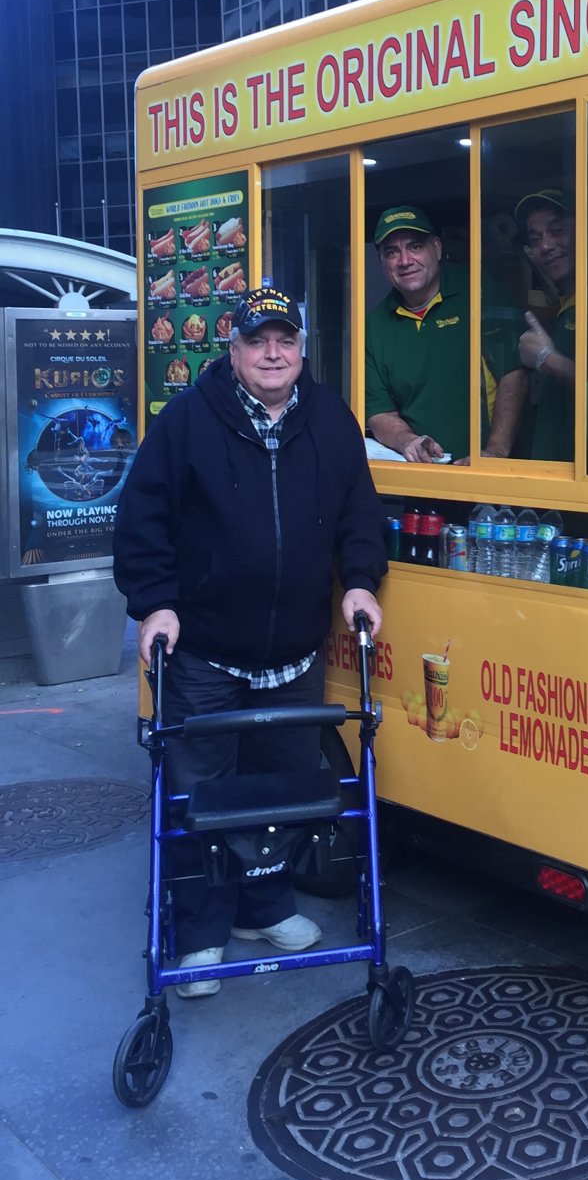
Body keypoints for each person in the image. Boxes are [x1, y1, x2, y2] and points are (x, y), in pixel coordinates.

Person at [113, 287, 386, 999]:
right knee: (202, 795)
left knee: (278, 797)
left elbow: (359, 511)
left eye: (284, 340)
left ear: (301, 349)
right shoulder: (186, 422)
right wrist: (155, 607)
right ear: (231, 350)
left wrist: (360, 582)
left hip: (293, 655)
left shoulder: (330, 420)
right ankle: (199, 935)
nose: (273, 353)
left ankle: (264, 911)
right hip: (204, 650)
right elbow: (142, 522)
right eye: (257, 341)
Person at [365, 204, 524, 462]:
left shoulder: (479, 288)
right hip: (425, 475)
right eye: (392, 252)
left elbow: (514, 372)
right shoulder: (374, 326)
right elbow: (380, 412)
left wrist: (495, 451)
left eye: (415, 246)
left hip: (490, 471)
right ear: (382, 263)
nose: (405, 261)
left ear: (437, 248)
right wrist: (410, 442)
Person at [515, 190, 576, 462]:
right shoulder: (566, 307)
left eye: (557, 230)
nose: (546, 246)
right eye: (535, 238)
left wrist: (546, 359)